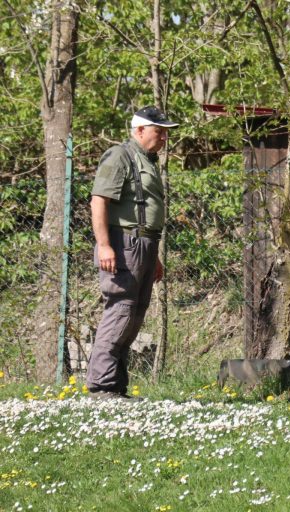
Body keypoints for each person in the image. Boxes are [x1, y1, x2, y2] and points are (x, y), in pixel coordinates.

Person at [86, 106, 179, 399]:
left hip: (144, 245)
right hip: (123, 244)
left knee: (134, 315)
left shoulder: (147, 160)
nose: (164, 138)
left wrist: (155, 256)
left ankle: (116, 387)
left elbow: (143, 212)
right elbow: (99, 201)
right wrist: (104, 245)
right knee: (121, 310)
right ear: (139, 130)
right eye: (158, 131)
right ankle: (102, 385)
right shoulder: (119, 156)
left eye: (165, 133)